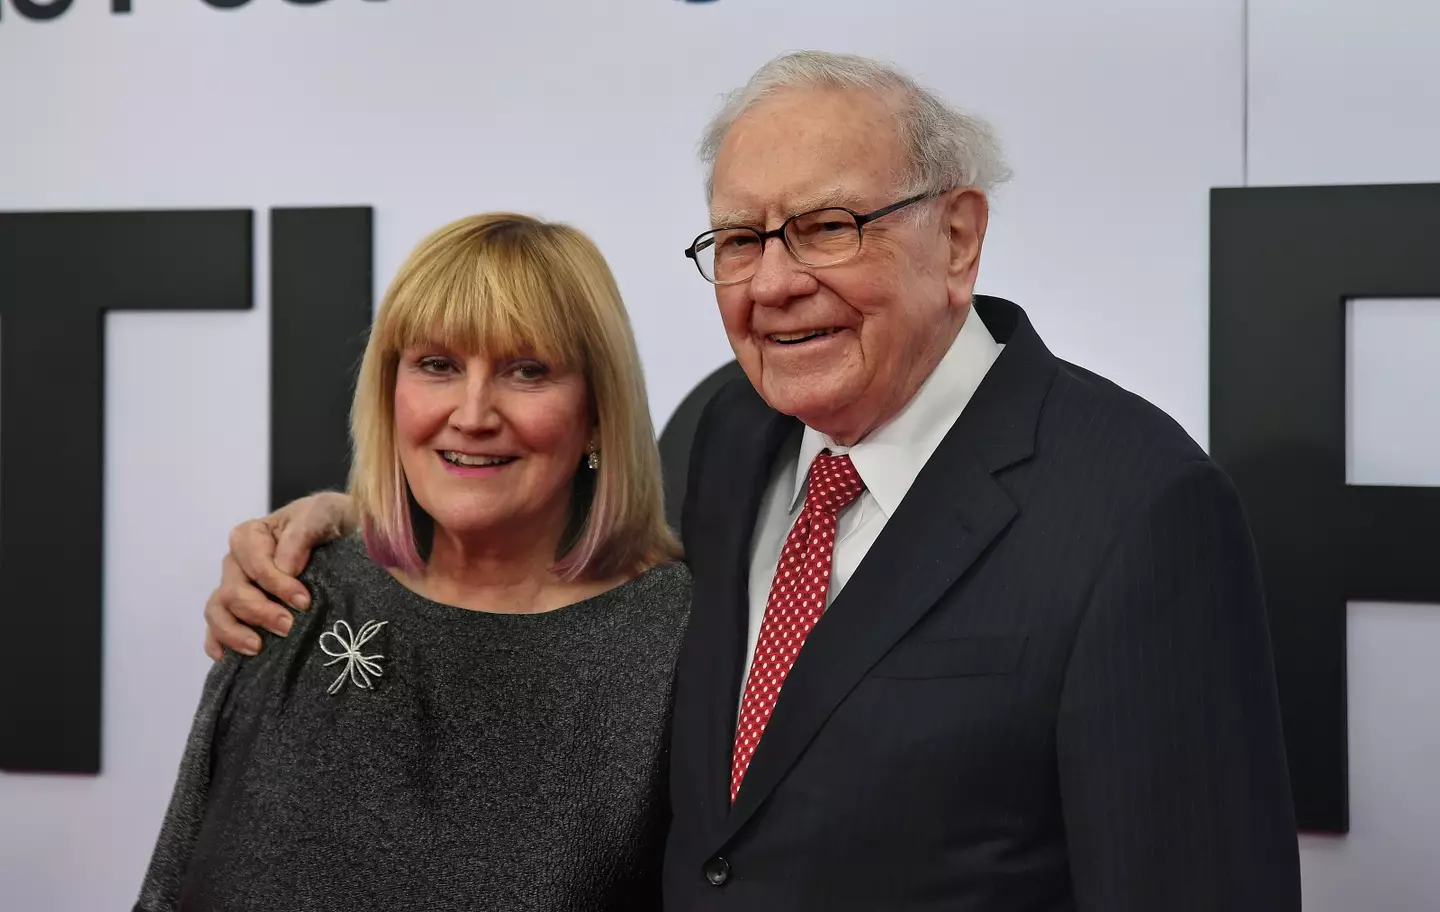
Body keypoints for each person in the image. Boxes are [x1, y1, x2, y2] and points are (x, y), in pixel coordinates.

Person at [199, 52, 1303, 911]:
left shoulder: (1137, 509)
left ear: (958, 235)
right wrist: (345, 523)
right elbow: (533, 518)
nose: (775, 283)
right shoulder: (735, 429)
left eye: (828, 227)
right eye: (738, 239)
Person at [136, 212, 687, 912]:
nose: (473, 413)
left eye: (527, 370)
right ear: (390, 392)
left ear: (599, 413)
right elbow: (172, 886)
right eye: (438, 365)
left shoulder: (680, 644)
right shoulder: (297, 591)